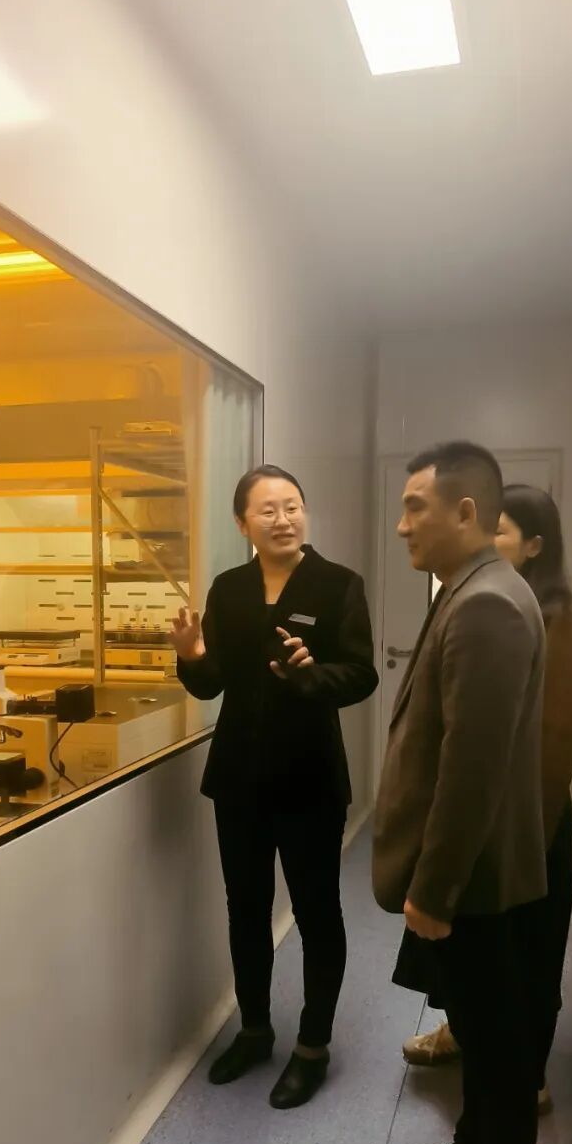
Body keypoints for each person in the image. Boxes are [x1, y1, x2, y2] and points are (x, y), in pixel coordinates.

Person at [372, 441, 548, 1144]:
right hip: (470, 873)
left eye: (416, 507)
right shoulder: (470, 590)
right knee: (478, 1030)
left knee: (499, 1042)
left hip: (473, 879)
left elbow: (470, 771)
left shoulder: (487, 605)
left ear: (466, 512)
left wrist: (434, 890)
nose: (402, 524)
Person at [171, 466, 378, 1110]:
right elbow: (211, 684)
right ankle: (255, 1031)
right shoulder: (230, 589)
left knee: (317, 913)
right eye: (267, 510)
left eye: (292, 506)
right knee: (246, 910)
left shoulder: (338, 584)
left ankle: (312, 1047)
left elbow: (362, 675)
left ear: (304, 513)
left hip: (311, 776)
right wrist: (191, 654)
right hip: (239, 779)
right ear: (243, 523)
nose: (283, 519)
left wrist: (313, 674)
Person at [399, 485, 572, 1114]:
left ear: (535, 546)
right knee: (471, 952)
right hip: (475, 815)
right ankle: (465, 1036)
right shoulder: (479, 600)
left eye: (499, 531)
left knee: (525, 957)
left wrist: (524, 839)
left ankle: (526, 1080)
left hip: (525, 824)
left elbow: (554, 741)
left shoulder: (557, 617)